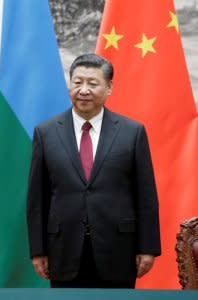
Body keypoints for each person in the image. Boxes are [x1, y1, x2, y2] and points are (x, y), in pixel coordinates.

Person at [26, 54, 161, 288]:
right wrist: (38, 250)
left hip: (118, 249)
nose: (84, 90)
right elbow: (37, 198)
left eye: (92, 83)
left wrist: (147, 248)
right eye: (77, 82)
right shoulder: (45, 133)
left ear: (109, 87)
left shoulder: (132, 132)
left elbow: (145, 195)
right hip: (63, 248)